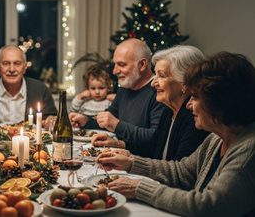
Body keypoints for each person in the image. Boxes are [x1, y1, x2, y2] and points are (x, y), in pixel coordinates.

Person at [97, 52, 255, 216]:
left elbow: (208, 205)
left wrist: (139, 188)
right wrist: (131, 163)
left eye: (195, 96)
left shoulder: (248, 151)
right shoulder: (217, 138)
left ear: (219, 102)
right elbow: (181, 172)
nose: (189, 105)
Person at [92, 46, 210, 160]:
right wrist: (118, 145)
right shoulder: (169, 112)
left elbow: (179, 173)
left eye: (161, 76)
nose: (153, 83)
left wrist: (131, 163)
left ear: (184, 81)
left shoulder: (194, 119)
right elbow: (152, 149)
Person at [70, 39, 167, 154]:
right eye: (115, 64)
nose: (115, 71)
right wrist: (86, 120)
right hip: (119, 155)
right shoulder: (124, 89)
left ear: (142, 64)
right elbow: (108, 121)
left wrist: (117, 126)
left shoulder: (159, 92)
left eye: (121, 64)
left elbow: (155, 138)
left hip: (141, 165)